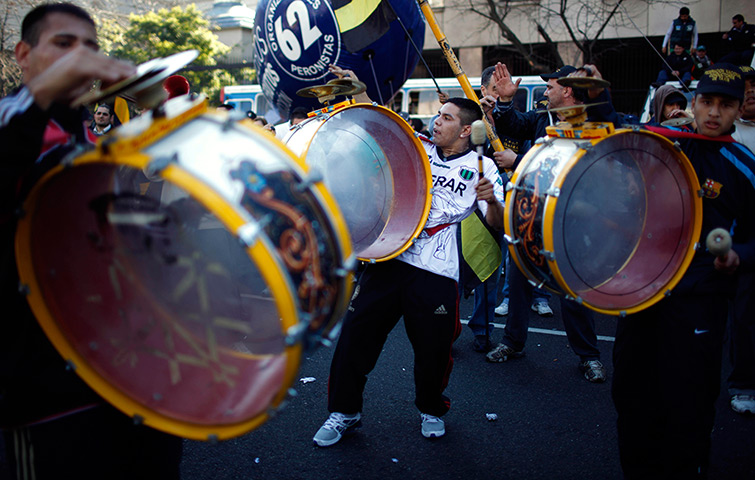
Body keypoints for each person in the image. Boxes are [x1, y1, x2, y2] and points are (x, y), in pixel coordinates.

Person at [0, 4, 182, 478]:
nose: (82, 58)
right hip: (48, 397)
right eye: (64, 44)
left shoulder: (93, 140)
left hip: (132, 378)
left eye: (91, 48)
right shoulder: (12, 121)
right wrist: (44, 93)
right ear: (23, 53)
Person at [581, 63, 755, 477]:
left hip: (699, 302)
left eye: (725, 105)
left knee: (689, 404)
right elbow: (617, 133)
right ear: (694, 104)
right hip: (644, 293)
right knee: (631, 395)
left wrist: (739, 257)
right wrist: (596, 95)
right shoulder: (664, 146)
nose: (714, 113)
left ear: (737, 110)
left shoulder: (743, 167)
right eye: (707, 102)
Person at [312, 97, 505, 447]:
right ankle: (344, 412)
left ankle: (431, 408)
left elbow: (497, 224)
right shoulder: (419, 147)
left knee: (433, 349)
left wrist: (491, 200)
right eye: (437, 115)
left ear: (466, 130)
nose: (437, 122)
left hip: (436, 271)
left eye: (446, 118)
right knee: (355, 337)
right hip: (390, 256)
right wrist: (359, 93)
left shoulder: (483, 167)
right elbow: (383, 125)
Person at [483, 63, 607, 383]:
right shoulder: (542, 118)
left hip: (571, 222)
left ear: (567, 90)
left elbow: (571, 170)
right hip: (531, 217)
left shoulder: (593, 124)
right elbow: (513, 124)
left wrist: (518, 162)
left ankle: (588, 356)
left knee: (572, 290)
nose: (545, 92)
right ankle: (512, 342)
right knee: (521, 279)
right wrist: (506, 102)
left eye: (550, 86)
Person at [727, 65, 755, 416]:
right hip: (734, 238)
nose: (751, 92)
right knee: (744, 314)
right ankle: (744, 383)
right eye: (745, 87)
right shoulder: (725, 140)